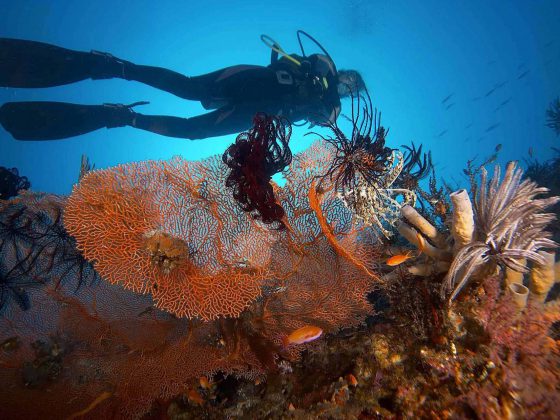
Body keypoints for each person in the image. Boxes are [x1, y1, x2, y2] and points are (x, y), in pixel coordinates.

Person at [0, 33, 365, 141]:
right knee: (190, 89)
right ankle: (117, 67)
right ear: (345, 73)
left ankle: (124, 117)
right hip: (257, 79)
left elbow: (324, 121)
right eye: (349, 81)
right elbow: (295, 57)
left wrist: (327, 103)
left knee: (195, 131)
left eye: (351, 89)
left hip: (263, 112)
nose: (346, 87)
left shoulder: (331, 106)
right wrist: (318, 76)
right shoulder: (323, 65)